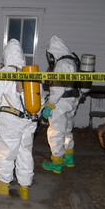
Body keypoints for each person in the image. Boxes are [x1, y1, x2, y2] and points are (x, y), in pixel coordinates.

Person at [0, 39, 44, 201]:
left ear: (7, 55)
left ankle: (3, 184)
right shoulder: (31, 74)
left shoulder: (5, 73)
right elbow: (41, 99)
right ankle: (24, 187)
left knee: (5, 151)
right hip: (30, 120)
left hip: (10, 119)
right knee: (25, 151)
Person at [41, 36, 80, 173]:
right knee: (67, 131)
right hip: (71, 101)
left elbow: (58, 88)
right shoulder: (72, 61)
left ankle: (56, 162)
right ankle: (68, 158)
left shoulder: (63, 64)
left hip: (60, 102)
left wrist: (50, 105)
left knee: (55, 132)